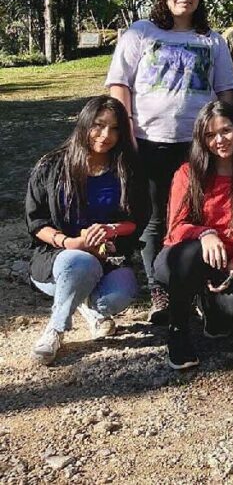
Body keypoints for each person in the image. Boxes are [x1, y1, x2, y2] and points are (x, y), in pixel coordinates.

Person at [106, 0, 233, 323]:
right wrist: (127, 130)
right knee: (154, 218)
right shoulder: (141, 32)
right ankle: (160, 291)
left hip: (198, 145)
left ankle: (198, 289)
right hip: (150, 141)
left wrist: (227, 132)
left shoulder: (212, 40)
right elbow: (120, 86)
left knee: (199, 216)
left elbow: (225, 91)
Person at [24, 96, 147, 366]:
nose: (106, 135)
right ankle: (55, 330)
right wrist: (71, 242)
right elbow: (36, 223)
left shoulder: (126, 168)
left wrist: (110, 229)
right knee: (78, 262)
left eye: (114, 128)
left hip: (108, 258)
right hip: (60, 258)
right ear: (84, 124)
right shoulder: (51, 166)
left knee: (120, 295)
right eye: (99, 125)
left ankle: (86, 305)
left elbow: (137, 218)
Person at [155, 101, 233, 370]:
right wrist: (206, 233)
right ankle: (178, 331)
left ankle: (208, 303)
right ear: (201, 138)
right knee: (193, 253)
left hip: (227, 260)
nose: (220, 140)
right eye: (210, 135)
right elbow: (175, 227)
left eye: (226, 130)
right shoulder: (188, 172)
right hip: (181, 256)